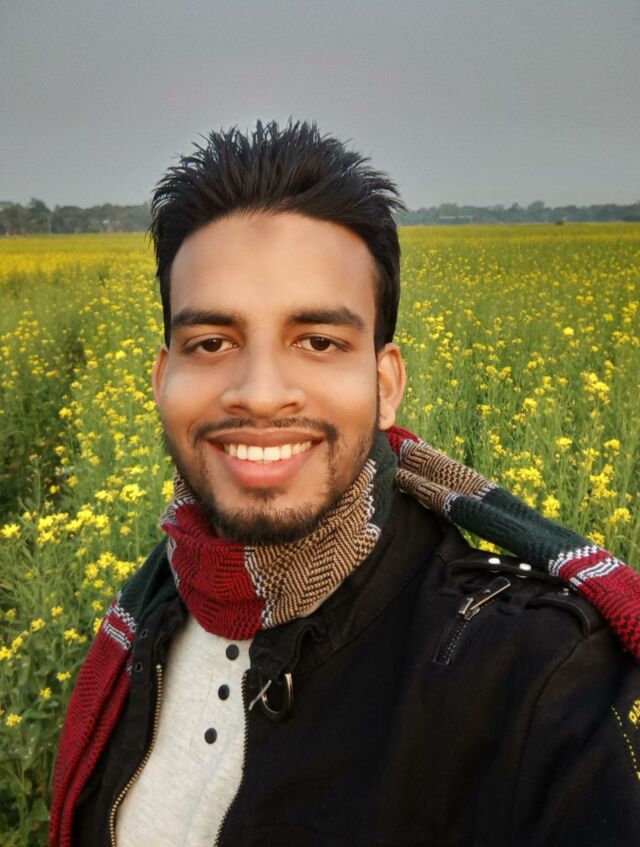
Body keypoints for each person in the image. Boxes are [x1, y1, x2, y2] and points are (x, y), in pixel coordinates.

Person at [50, 121, 640, 847]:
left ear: (385, 384)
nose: (260, 393)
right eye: (211, 343)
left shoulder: (535, 681)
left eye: (319, 341)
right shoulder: (149, 616)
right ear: (162, 379)